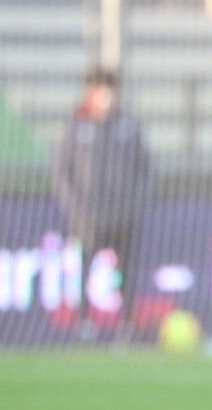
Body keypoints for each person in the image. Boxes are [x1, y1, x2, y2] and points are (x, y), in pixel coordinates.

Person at [52, 67, 150, 333]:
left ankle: (127, 324)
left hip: (123, 216)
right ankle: (84, 321)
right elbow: (63, 173)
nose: (105, 96)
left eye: (109, 90)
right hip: (88, 217)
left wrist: (135, 206)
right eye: (99, 90)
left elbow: (144, 170)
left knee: (126, 270)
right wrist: (77, 209)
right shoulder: (77, 127)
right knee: (85, 269)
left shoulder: (127, 126)